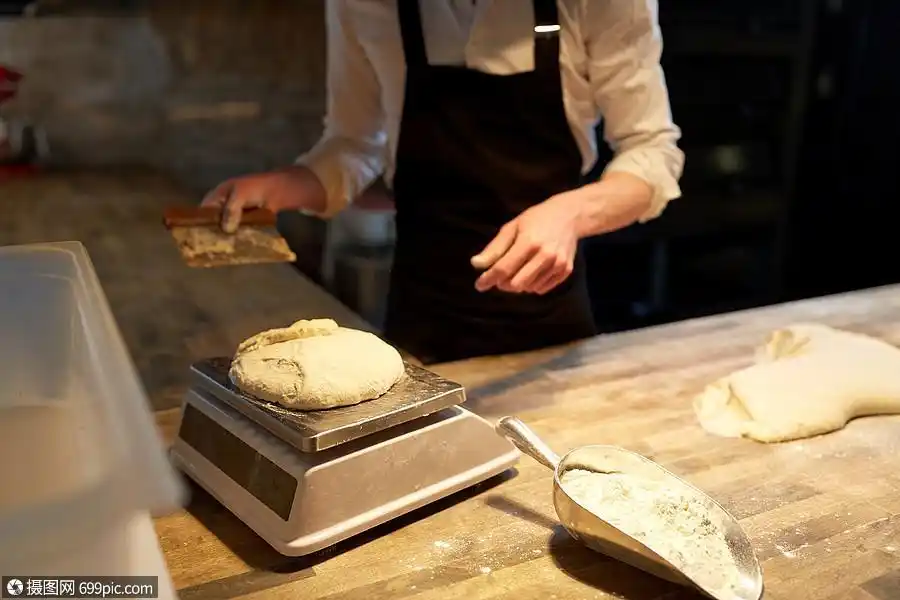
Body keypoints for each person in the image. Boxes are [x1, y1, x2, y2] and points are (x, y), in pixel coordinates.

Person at [202, 0, 684, 364]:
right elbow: (354, 142)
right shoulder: (365, 5)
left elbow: (653, 152)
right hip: (420, 321)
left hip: (549, 328)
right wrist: (285, 184)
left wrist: (569, 214)